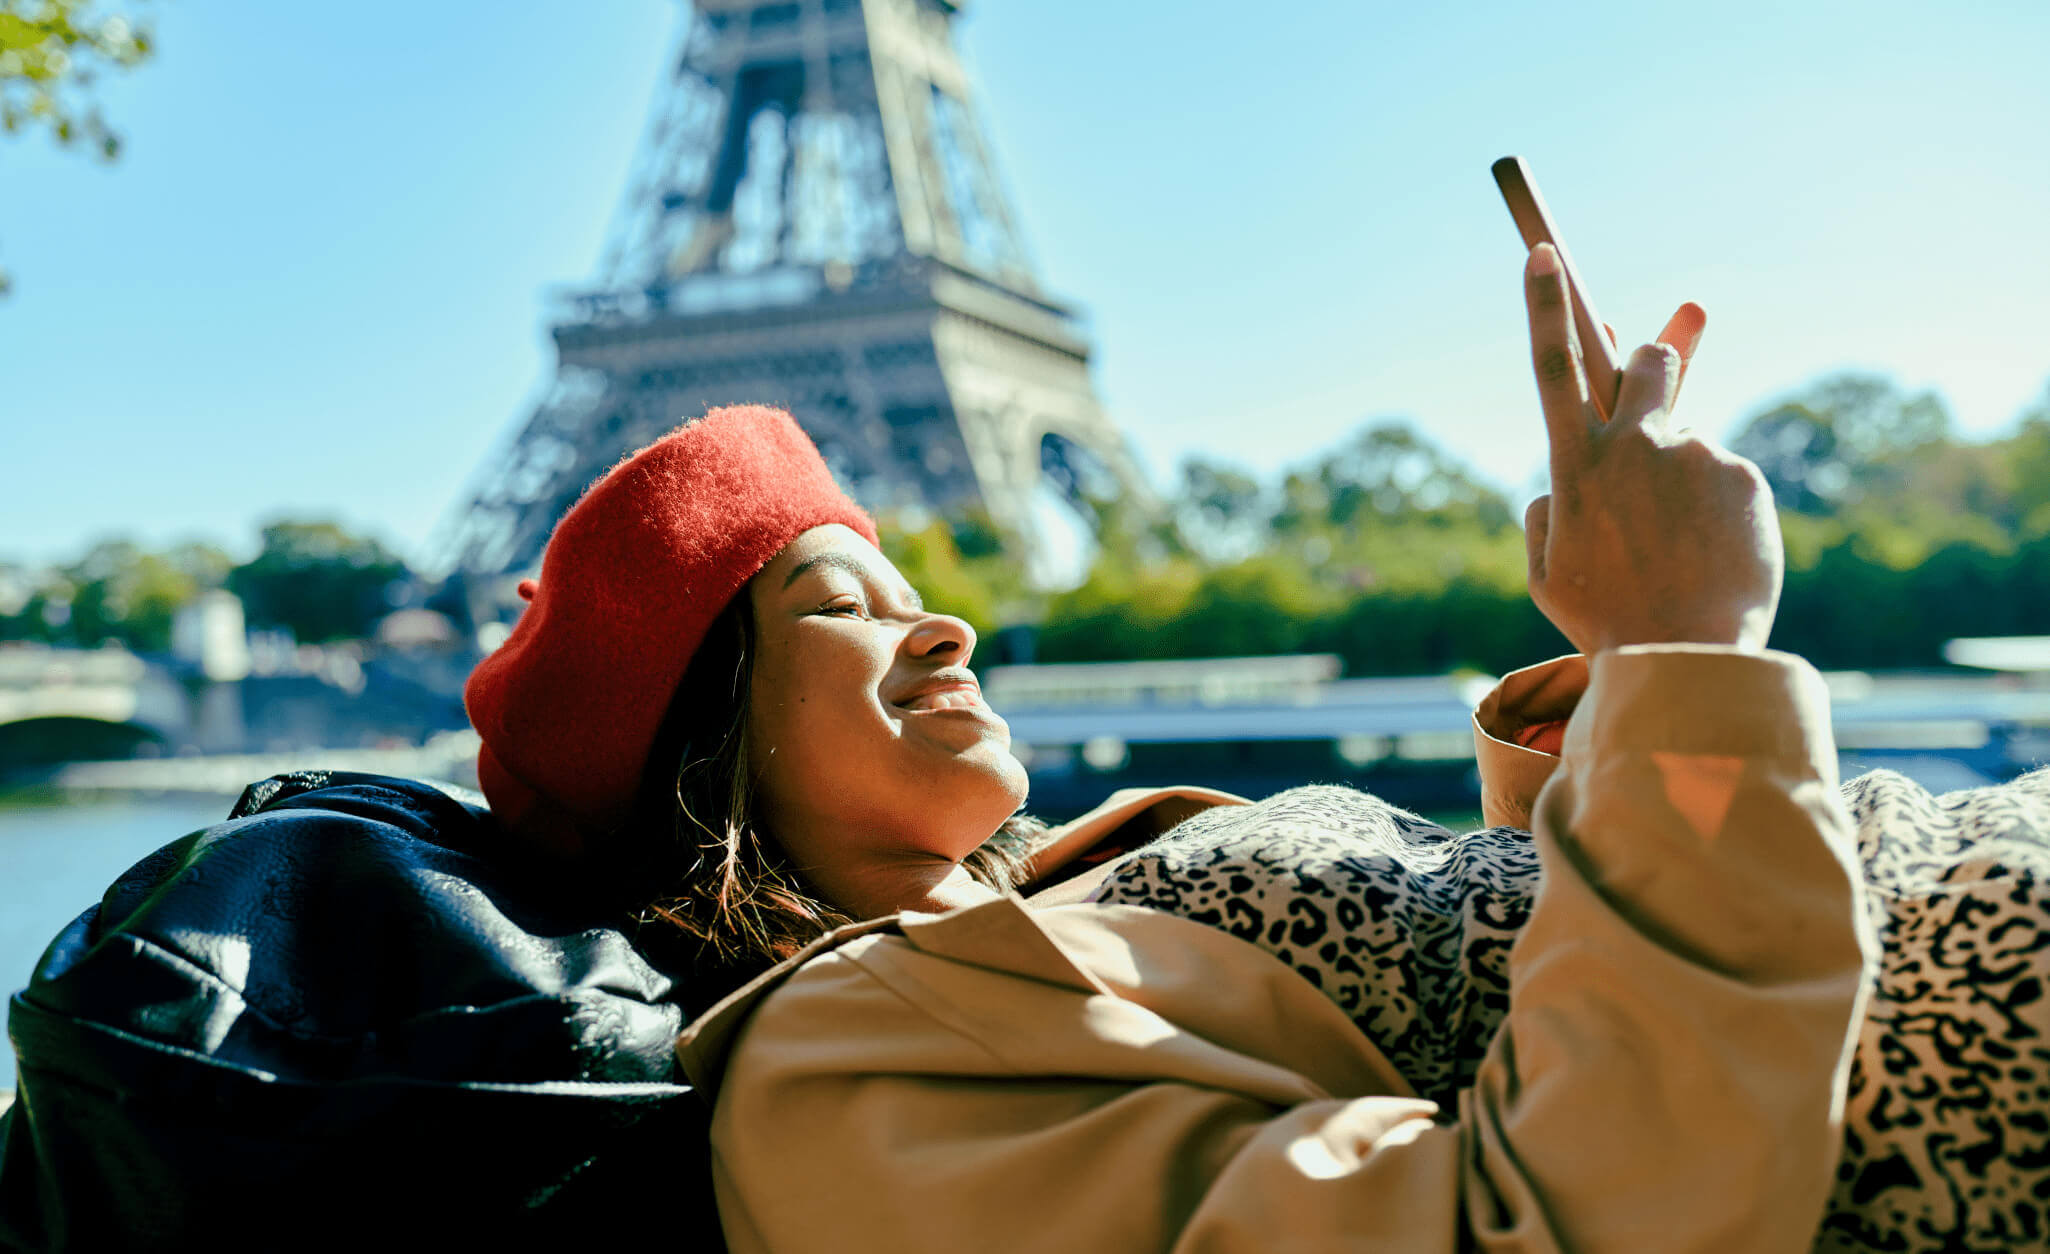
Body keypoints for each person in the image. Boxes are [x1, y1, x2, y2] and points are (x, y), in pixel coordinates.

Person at [461, 242, 1900, 1252]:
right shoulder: (834, 1087)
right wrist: (1684, 653)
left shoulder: (1051, 907)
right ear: (703, 750)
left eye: (914, 592)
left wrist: (1602, 707)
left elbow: (1505, 992)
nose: (949, 628)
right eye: (836, 605)